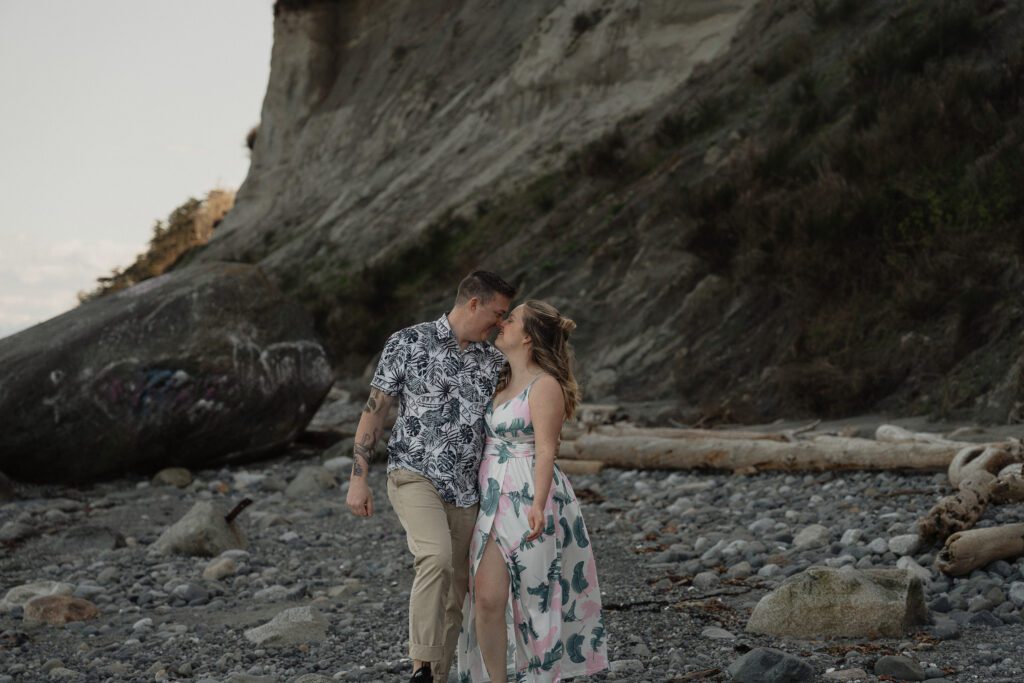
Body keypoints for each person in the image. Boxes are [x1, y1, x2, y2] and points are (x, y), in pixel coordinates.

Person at [345, 271, 515, 683]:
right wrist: (358, 477)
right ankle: (421, 664)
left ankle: (435, 677)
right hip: (413, 474)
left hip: (466, 490)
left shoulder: (494, 363)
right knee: (434, 558)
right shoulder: (407, 342)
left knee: (457, 592)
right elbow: (375, 409)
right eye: (498, 313)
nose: (501, 324)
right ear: (473, 303)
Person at [458, 300, 609, 682]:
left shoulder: (545, 386)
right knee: (487, 598)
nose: (501, 324)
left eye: (510, 320)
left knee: (537, 599)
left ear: (527, 336)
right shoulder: (501, 380)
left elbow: (546, 450)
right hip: (493, 499)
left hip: (529, 495)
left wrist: (539, 504)